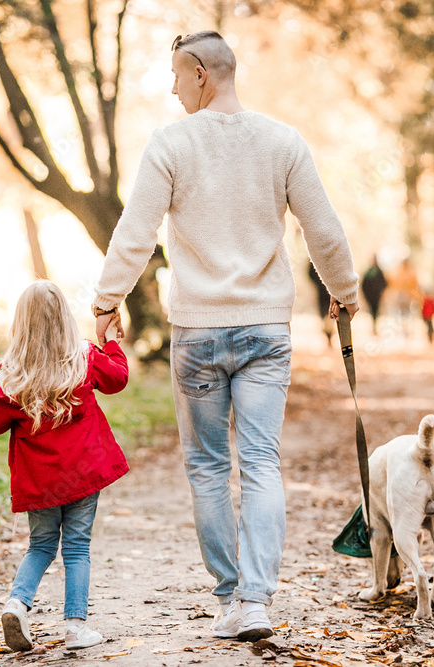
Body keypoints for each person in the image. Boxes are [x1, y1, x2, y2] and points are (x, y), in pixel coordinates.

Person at [90, 32, 359, 641]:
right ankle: (257, 602)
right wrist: (344, 290)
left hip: (199, 331)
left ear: (202, 74)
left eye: (178, 76)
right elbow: (324, 228)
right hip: (266, 327)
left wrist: (108, 301)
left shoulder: (171, 145)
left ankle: (231, 597)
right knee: (261, 462)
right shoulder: (283, 141)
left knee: (209, 468)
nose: (172, 88)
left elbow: (136, 232)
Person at [0, 281, 129, 652]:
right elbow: (118, 379)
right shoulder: (83, 359)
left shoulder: (13, 375)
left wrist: (1, 383)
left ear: (21, 325)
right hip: (83, 474)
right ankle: (76, 628)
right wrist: (111, 342)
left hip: (41, 482)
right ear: (64, 319)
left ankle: (16, 604)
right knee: (77, 548)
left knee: (41, 546)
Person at [360, 256, 388, 335]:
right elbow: (363, 284)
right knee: (373, 312)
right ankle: (374, 326)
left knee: (375, 312)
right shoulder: (369, 272)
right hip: (370, 296)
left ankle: (375, 326)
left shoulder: (378, 272)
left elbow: (384, 283)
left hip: (376, 296)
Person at [308, 260, 333, 345]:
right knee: (325, 315)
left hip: (330, 292)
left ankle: (329, 335)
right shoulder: (314, 256)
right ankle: (328, 335)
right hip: (323, 292)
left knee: (330, 314)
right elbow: (310, 273)